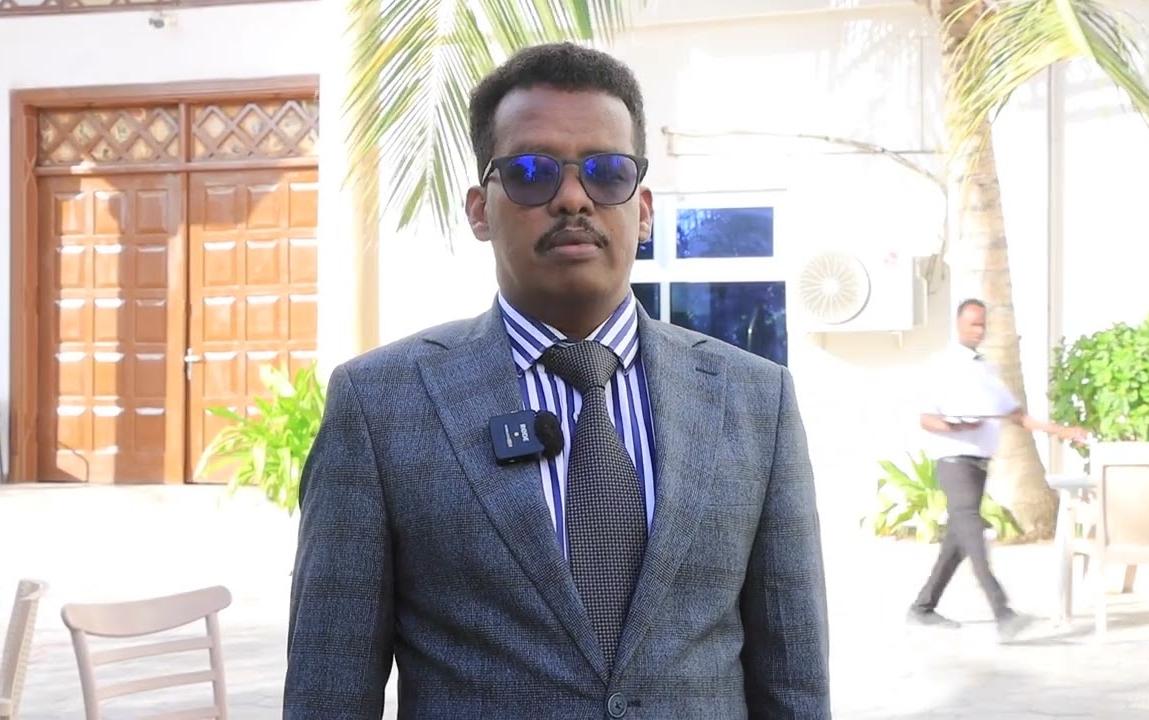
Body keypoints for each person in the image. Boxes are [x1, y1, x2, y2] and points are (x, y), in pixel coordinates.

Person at [284, 42, 831, 719]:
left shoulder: (755, 400)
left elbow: (794, 679)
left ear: (644, 209)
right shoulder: (380, 405)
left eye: (606, 172)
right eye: (531, 173)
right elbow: (329, 689)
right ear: (480, 209)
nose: (573, 197)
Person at [908, 298, 1088, 642]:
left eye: (983, 324)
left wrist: (1064, 431)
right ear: (959, 324)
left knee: (957, 542)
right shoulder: (944, 365)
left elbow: (1017, 416)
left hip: (979, 465)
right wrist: (957, 426)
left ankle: (922, 608)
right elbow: (927, 418)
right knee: (973, 534)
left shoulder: (985, 369)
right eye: (973, 324)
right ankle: (1002, 612)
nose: (979, 330)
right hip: (955, 463)